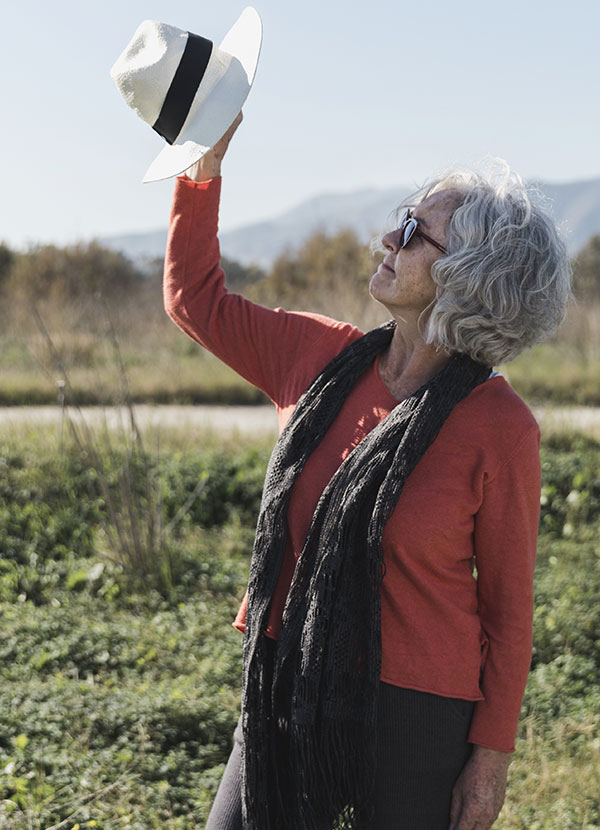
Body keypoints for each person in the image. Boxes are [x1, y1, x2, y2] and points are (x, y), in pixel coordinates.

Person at [163, 112, 571, 830]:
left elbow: (508, 614)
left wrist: (490, 761)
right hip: (286, 675)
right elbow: (195, 299)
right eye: (400, 220)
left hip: (415, 719)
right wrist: (203, 169)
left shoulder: (501, 428)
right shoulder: (319, 358)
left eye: (415, 233)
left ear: (468, 277)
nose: (389, 239)